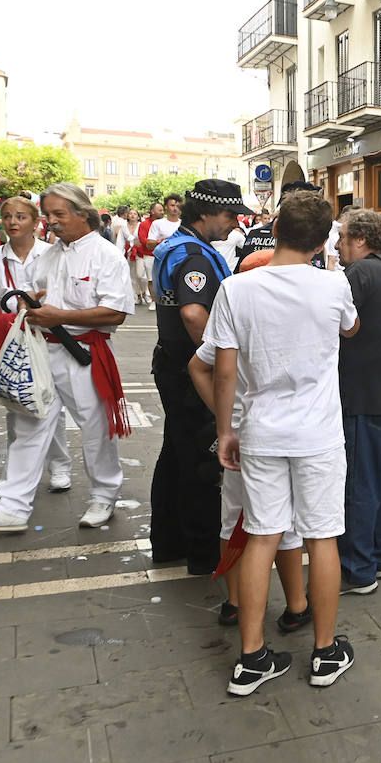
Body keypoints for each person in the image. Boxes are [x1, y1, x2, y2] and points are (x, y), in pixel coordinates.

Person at [200, 189, 359, 694]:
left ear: (276, 231)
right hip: (316, 433)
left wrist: (226, 429)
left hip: (261, 431)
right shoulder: (333, 286)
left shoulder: (236, 288)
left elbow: (224, 371)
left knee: (262, 536)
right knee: (322, 536)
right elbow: (352, 329)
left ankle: (250, 658)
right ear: (321, 240)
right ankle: (326, 652)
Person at [0, 183, 135, 533]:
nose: (51, 222)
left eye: (59, 214)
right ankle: (12, 506)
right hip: (41, 350)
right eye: (48, 214)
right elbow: (39, 299)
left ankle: (104, 495)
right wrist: (32, 304)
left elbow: (115, 313)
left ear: (83, 214)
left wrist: (60, 316)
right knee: (28, 424)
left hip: (85, 354)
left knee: (96, 429)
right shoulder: (50, 255)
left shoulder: (106, 255)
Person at [147, 180, 251, 572]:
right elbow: (193, 314)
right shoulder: (194, 256)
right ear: (205, 214)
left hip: (170, 362)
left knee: (175, 454)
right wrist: (213, 358)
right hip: (188, 370)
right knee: (200, 460)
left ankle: (169, 542)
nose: (233, 222)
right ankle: (202, 551)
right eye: (229, 215)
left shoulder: (174, 246)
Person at [0, 195, 73, 494]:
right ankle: (17, 468)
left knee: (49, 401)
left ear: (36, 223)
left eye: (21, 216)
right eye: (8, 216)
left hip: (45, 335)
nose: (13, 222)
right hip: (8, 335)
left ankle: (60, 465)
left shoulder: (53, 254)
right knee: (15, 400)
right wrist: (12, 308)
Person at [334, 208, 381, 592]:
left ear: (361, 239)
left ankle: (359, 568)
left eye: (344, 236)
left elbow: (333, 320)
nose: (337, 243)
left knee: (361, 481)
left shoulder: (362, 272)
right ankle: (380, 557)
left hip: (365, 393)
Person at [133, 201, 163, 304]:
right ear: (152, 211)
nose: (162, 212)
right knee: (149, 278)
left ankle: (158, 298)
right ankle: (153, 300)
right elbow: (143, 239)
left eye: (163, 210)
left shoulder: (165, 223)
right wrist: (158, 242)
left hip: (163, 254)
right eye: (160, 210)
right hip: (148, 255)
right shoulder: (144, 224)